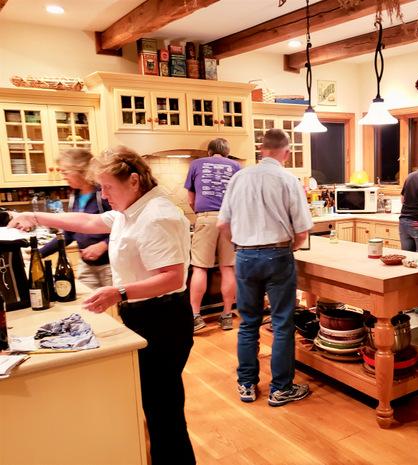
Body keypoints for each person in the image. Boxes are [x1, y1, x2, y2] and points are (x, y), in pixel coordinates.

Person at [9, 146, 195, 465]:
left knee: (164, 410)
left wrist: (118, 292)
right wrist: (35, 216)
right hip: (145, 315)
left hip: (163, 319)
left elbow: (171, 277)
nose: (104, 195)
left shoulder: (157, 215)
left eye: (108, 187)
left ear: (134, 181)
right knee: (155, 405)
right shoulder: (131, 211)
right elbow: (88, 222)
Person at [218, 128, 312, 407]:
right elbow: (303, 231)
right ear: (286, 152)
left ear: (261, 150)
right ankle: (281, 389)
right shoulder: (287, 179)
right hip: (278, 255)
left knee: (248, 323)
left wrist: (240, 246)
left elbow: (222, 224)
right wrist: (288, 248)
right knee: (282, 323)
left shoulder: (238, 177)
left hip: (244, 256)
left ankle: (246, 384)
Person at [185, 137, 240, 332]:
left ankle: (195, 316)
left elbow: (190, 199)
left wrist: (202, 215)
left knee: (200, 268)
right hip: (229, 221)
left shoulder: (196, 164)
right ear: (226, 152)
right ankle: (226, 315)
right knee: (227, 268)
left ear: (209, 151)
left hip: (206, 218)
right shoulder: (235, 166)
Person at [39, 148, 112, 289]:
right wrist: (38, 254)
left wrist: (103, 245)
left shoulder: (104, 193)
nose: (63, 176)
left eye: (65, 172)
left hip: (111, 265)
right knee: (86, 305)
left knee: (115, 308)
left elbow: (124, 224)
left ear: (81, 170)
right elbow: (68, 234)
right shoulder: (75, 196)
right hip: (87, 265)